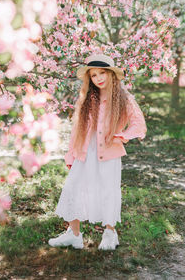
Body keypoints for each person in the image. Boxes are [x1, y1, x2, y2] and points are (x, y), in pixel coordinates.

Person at [48, 54, 147, 250]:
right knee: (73, 187)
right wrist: (71, 154)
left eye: (102, 73)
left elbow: (139, 125)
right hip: (85, 150)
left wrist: (123, 136)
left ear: (111, 74)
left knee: (108, 191)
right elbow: (77, 129)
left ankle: (110, 234)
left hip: (109, 152)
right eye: (93, 75)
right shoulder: (87, 98)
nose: (98, 78)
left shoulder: (124, 97)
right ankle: (73, 234)